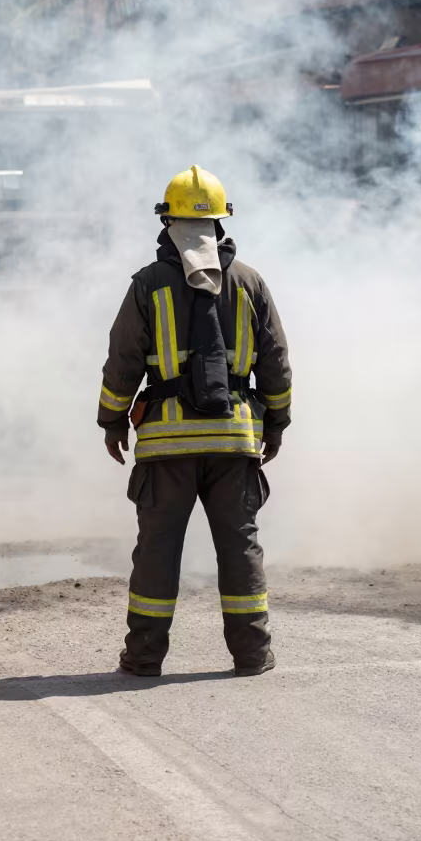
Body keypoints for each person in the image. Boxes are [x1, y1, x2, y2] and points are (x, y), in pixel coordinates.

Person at [97, 165, 292, 677]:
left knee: (158, 553)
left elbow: (122, 363)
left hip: (166, 450)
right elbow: (275, 362)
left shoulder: (148, 285)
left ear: (165, 222)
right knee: (240, 547)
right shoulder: (250, 282)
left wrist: (112, 421)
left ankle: (143, 659)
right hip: (235, 443)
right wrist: (276, 425)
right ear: (224, 221)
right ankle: (252, 655)